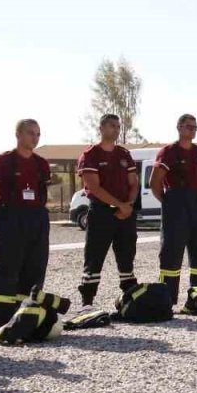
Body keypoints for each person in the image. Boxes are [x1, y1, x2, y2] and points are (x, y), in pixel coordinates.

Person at [0, 119, 53, 334]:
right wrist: (5, 215)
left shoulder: (42, 164)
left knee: (35, 268)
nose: (35, 137)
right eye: (31, 133)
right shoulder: (2, 162)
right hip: (11, 217)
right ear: (18, 135)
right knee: (7, 269)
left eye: (38, 134)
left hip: (37, 219)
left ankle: (25, 317)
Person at [75, 114, 139, 306]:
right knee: (94, 257)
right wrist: (119, 205)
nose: (116, 129)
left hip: (125, 213)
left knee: (127, 255)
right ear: (101, 128)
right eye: (112, 126)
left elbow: (133, 183)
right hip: (101, 212)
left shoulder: (124, 154)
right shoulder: (90, 155)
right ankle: (87, 301)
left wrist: (128, 205)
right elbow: (94, 187)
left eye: (118, 126)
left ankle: (129, 299)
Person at [150, 114, 197, 302]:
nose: (192, 130)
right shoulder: (168, 151)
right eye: (188, 127)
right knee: (172, 251)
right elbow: (155, 182)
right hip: (176, 201)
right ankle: (168, 297)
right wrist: (169, 202)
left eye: (195, 127)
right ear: (179, 127)